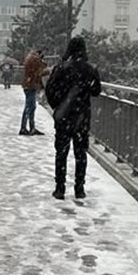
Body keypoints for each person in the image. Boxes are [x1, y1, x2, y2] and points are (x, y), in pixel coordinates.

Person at [45, 36, 102, 199]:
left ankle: (60, 188)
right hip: (81, 117)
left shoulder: (61, 68)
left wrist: (58, 105)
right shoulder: (90, 69)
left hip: (64, 116)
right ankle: (79, 187)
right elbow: (96, 91)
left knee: (61, 153)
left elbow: (49, 89)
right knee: (81, 153)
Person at [20, 49, 47, 136]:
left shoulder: (31, 58)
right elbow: (38, 72)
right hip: (31, 85)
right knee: (29, 107)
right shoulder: (35, 59)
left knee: (31, 106)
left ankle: (30, 127)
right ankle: (25, 128)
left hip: (29, 84)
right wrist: (48, 70)